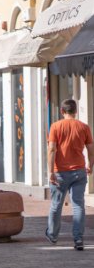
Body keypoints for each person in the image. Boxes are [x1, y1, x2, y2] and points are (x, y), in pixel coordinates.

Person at [46, 99, 93, 250]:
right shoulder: (84, 127)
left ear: (62, 111)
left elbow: (52, 149)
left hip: (60, 172)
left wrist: (50, 171)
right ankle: (78, 239)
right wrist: (90, 165)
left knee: (56, 205)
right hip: (79, 171)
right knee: (78, 205)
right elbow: (91, 150)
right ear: (75, 111)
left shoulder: (56, 126)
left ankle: (53, 236)